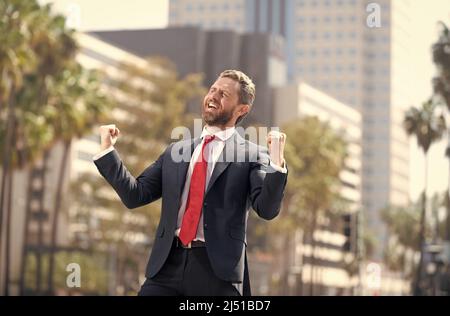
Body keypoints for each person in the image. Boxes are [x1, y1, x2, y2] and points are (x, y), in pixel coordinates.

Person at [93, 69, 288, 296]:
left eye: (224, 94)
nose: (213, 96)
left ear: (242, 109)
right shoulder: (177, 151)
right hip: (166, 267)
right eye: (213, 90)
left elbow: (267, 209)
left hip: (217, 274)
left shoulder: (253, 154)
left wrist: (276, 163)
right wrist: (107, 151)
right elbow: (135, 195)